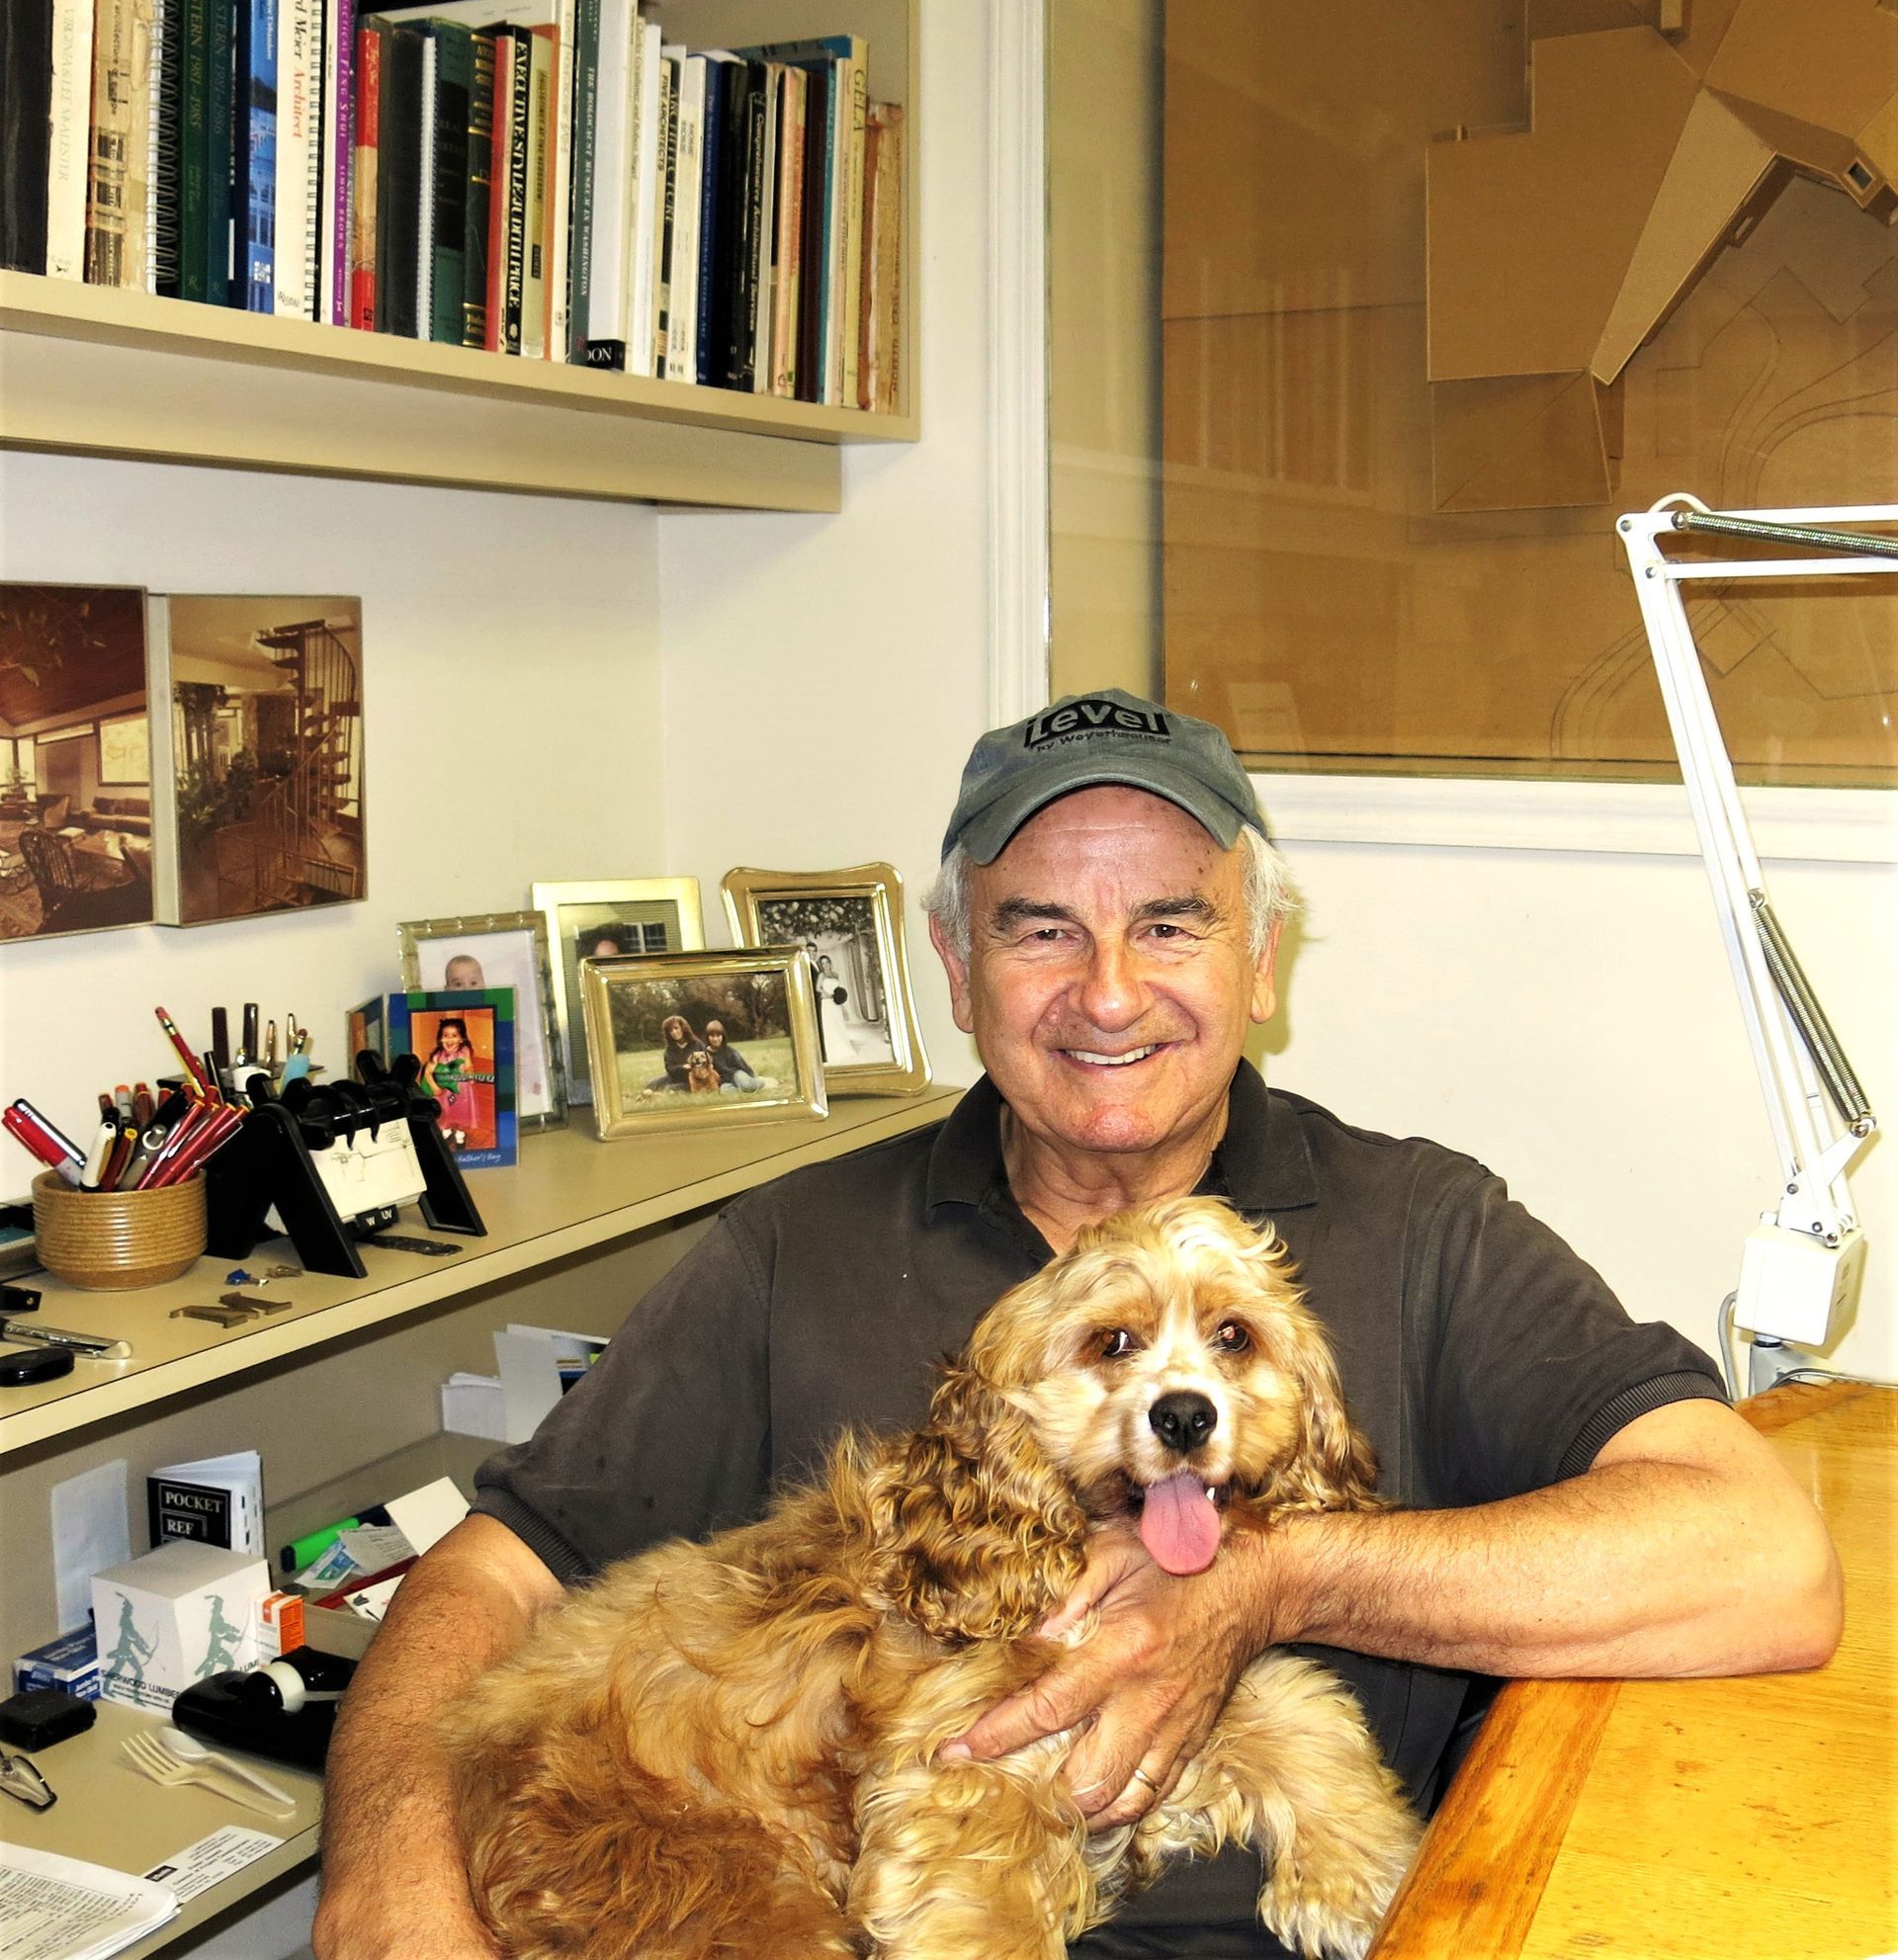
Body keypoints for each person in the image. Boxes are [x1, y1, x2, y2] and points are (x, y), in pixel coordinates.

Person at [314, 690, 1842, 1960]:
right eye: (1040, 931)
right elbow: (492, 1574)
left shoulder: (1422, 1229)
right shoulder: (792, 1242)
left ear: (1261, 957)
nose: (1108, 994)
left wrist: (1274, 1579)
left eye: (1172, 924)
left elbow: (1761, 1566)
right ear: (954, 967)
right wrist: (386, 1871)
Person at [420, 1016, 478, 1150]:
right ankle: (446, 1131)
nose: (449, 1039)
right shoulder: (437, 1056)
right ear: (440, 1038)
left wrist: (470, 1073)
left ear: (461, 1038)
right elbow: (428, 1073)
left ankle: (460, 1135)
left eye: (454, 1035)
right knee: (446, 1113)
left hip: (462, 1092)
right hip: (443, 1093)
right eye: (445, 1035)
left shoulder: (464, 1052)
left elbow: (469, 1066)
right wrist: (435, 1087)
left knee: (461, 1113)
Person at [641, 1011, 700, 1094]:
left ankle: (661, 1093)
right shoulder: (669, 1049)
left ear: (683, 1028)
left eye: (676, 1028)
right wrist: (682, 1067)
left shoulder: (697, 1044)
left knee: (669, 1089)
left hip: (691, 1080)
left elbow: (705, 1061)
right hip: (674, 1077)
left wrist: (692, 1067)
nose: (674, 1032)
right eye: (670, 1030)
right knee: (650, 1084)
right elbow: (669, 1068)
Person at [702, 1017, 765, 1093]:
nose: (715, 1039)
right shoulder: (704, 1054)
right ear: (707, 1037)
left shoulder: (730, 1051)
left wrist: (750, 1076)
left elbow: (743, 1065)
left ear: (723, 1036)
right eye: (712, 1036)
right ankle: (743, 1088)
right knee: (724, 1091)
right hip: (725, 1081)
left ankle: (761, 1081)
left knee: (746, 1086)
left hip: (736, 1074)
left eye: (718, 1036)